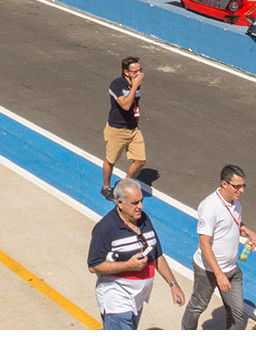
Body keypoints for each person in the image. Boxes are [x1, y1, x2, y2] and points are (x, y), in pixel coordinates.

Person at [87, 178, 186, 329]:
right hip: (116, 300)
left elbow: (157, 254)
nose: (141, 206)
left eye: (141, 201)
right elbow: (94, 265)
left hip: (137, 299)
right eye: (135, 203)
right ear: (120, 203)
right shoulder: (105, 229)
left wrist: (173, 284)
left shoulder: (144, 219)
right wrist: (128, 265)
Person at [181, 165, 256, 330]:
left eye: (243, 186)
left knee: (237, 313)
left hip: (231, 268)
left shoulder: (235, 203)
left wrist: (246, 230)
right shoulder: (210, 207)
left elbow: (231, 223)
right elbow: (204, 243)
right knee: (198, 306)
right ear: (224, 184)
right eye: (237, 186)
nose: (241, 190)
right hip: (208, 270)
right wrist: (219, 274)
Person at [101, 56, 146, 202]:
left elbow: (135, 104)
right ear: (126, 72)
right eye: (135, 72)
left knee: (140, 160)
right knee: (111, 160)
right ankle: (106, 187)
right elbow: (125, 105)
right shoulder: (117, 85)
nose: (139, 74)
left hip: (133, 129)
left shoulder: (136, 85)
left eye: (140, 70)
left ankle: (124, 185)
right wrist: (135, 86)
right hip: (117, 129)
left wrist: (136, 120)